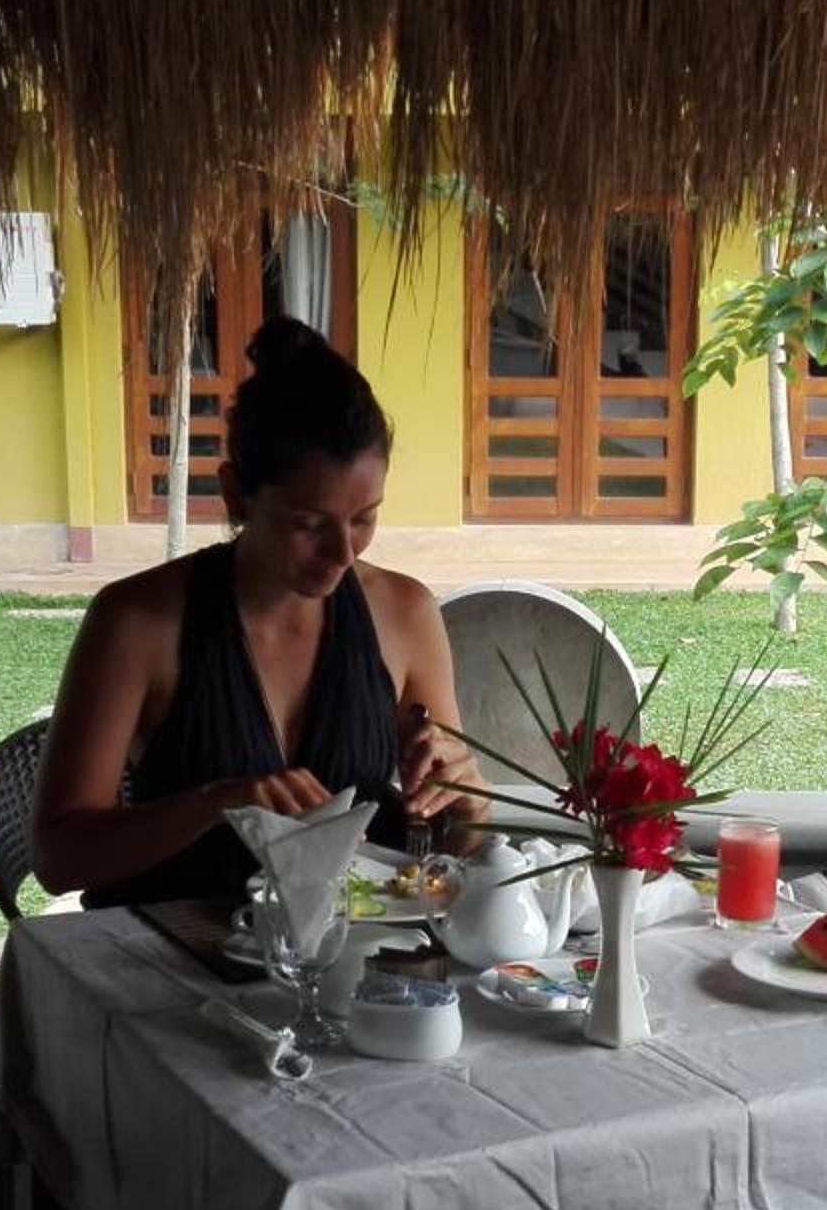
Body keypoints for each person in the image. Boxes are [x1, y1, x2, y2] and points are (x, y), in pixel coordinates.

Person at [32, 316, 487, 908]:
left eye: (364, 518)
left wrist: (471, 805)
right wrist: (216, 802)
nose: (343, 553)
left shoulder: (404, 614)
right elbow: (58, 858)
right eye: (308, 524)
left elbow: (450, 856)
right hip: (176, 946)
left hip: (353, 945)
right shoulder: (138, 622)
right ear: (235, 494)